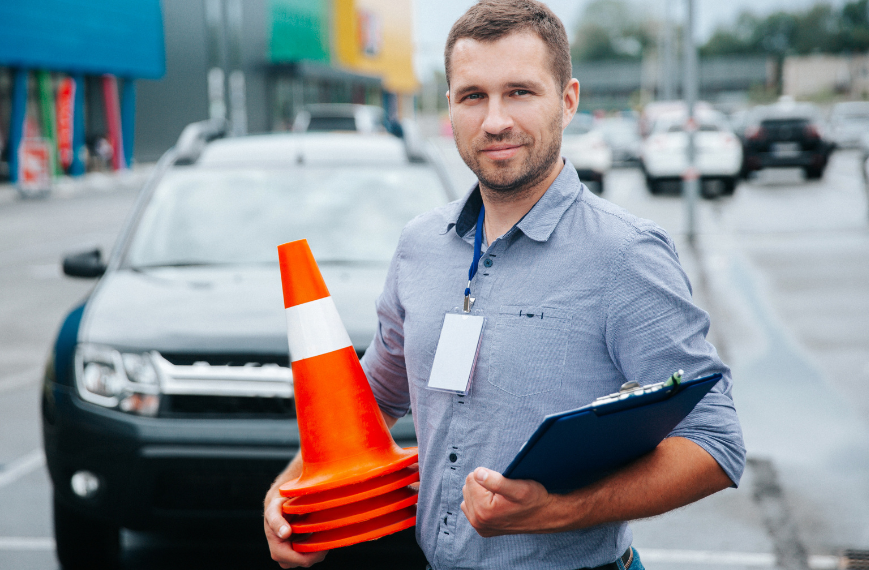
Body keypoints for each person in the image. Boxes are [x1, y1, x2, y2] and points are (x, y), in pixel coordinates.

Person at [264, 1, 745, 568]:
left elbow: (716, 444)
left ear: (567, 101)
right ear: (449, 106)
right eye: (473, 96)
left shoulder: (625, 256)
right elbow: (371, 396)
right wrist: (289, 490)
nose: (495, 121)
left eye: (519, 92)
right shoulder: (420, 245)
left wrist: (556, 511)